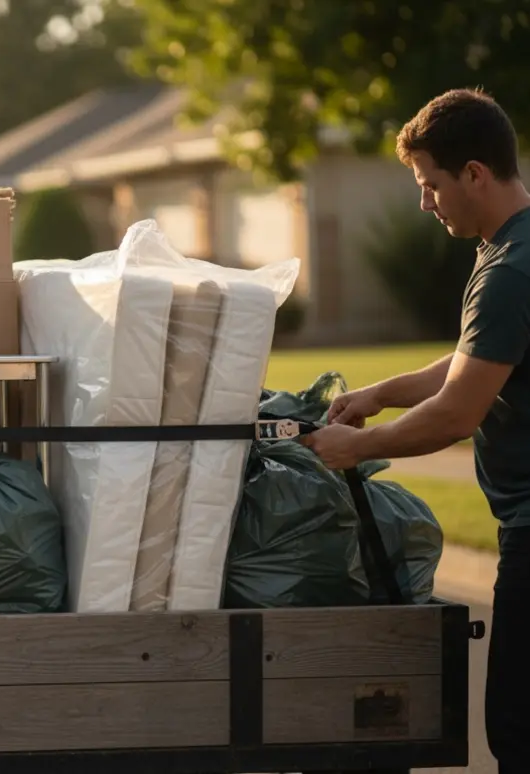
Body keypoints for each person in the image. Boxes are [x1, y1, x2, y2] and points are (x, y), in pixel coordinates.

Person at [301, 87, 530, 771]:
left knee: (517, 733)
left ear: (475, 174)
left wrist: (357, 447)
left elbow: (459, 411)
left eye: (431, 184)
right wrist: (382, 394)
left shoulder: (510, 271)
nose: (425, 203)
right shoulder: (514, 248)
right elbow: (473, 361)